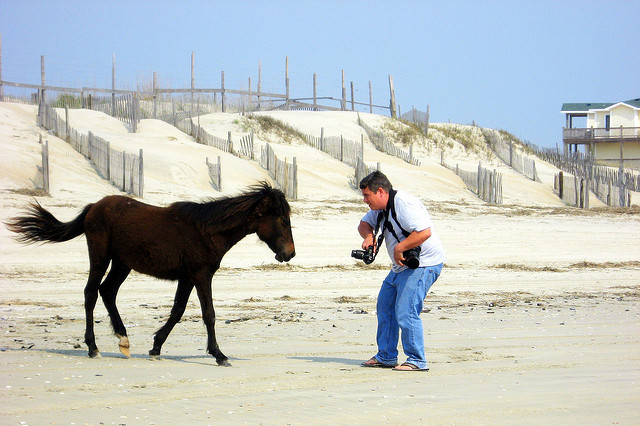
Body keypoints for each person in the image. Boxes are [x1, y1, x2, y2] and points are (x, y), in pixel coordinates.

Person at [357, 171, 445, 371]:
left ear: (380, 192)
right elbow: (363, 224)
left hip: (424, 264)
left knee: (406, 311)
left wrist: (400, 247)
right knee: (385, 307)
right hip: (400, 267)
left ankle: (416, 360)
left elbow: (425, 232)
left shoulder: (404, 203)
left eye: (367, 196)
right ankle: (386, 356)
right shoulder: (380, 208)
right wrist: (369, 236)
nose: (364, 200)